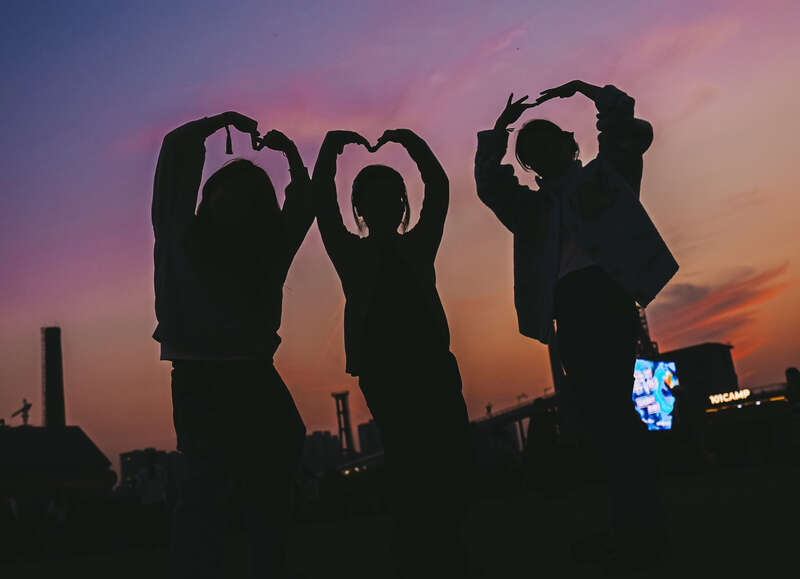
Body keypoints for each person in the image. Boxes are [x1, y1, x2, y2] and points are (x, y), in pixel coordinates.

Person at [475, 81, 678, 572]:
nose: (542, 154)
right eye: (532, 152)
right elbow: (489, 184)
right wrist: (500, 131)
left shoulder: (604, 177)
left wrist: (586, 90)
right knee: (601, 413)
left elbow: (625, 129)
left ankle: (640, 524)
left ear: (568, 144)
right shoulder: (534, 209)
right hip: (569, 306)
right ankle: (633, 521)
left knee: (613, 411)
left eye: (547, 143)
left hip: (605, 297)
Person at [152, 111, 313, 579]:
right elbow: (173, 175)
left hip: (255, 380)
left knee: (264, 506)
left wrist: (291, 155)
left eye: (247, 196)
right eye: (226, 192)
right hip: (203, 382)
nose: (234, 203)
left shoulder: (266, 251)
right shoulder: (182, 242)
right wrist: (217, 122)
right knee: (205, 500)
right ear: (208, 198)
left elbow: (303, 205)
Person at [312, 129, 471, 578]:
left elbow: (437, 188)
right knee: (409, 458)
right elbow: (322, 200)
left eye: (392, 197)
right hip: (385, 371)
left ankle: (444, 546)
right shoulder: (350, 254)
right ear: (361, 209)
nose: (384, 204)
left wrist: (412, 142)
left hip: (432, 364)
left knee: (449, 455)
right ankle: (420, 549)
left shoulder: (418, 245)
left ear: (402, 205)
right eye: (373, 198)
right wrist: (331, 147)